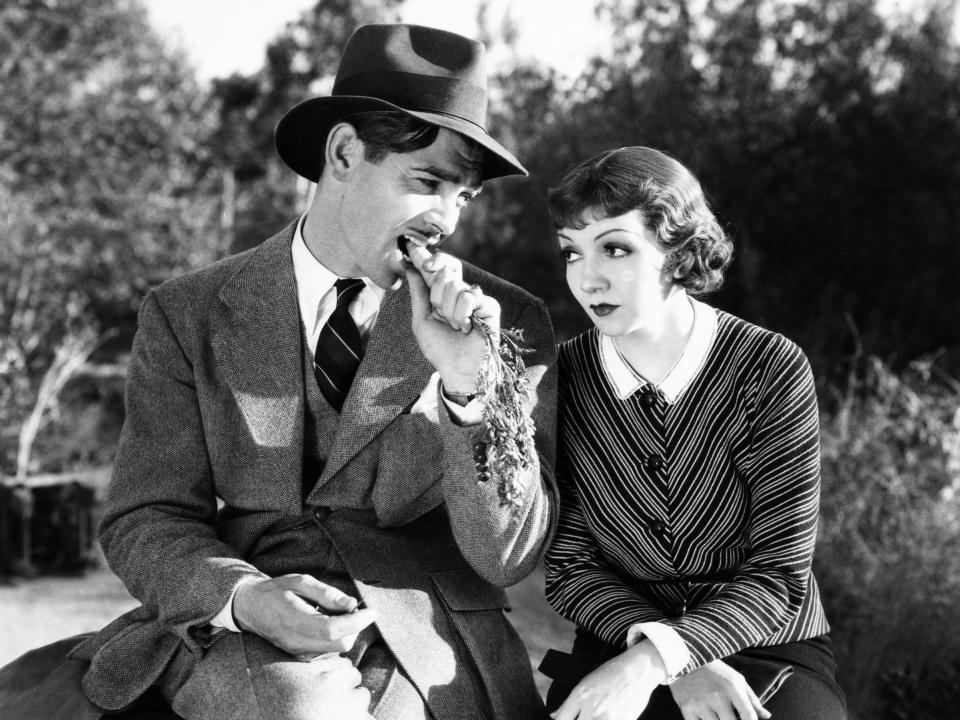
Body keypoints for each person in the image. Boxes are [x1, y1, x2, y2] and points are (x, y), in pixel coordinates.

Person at [0, 24, 557, 720]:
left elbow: (508, 557)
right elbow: (147, 514)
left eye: (464, 196)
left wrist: (468, 391)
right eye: (428, 182)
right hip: (241, 629)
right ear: (345, 153)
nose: (446, 217)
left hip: (430, 634)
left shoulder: (508, 324)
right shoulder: (187, 312)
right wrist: (242, 597)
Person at [539, 146, 846, 720]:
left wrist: (664, 660)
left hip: (764, 639)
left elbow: (779, 572)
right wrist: (661, 651)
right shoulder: (563, 380)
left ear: (679, 253)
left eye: (615, 248)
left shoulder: (767, 365)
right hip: (619, 634)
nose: (588, 277)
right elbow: (571, 567)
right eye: (571, 253)